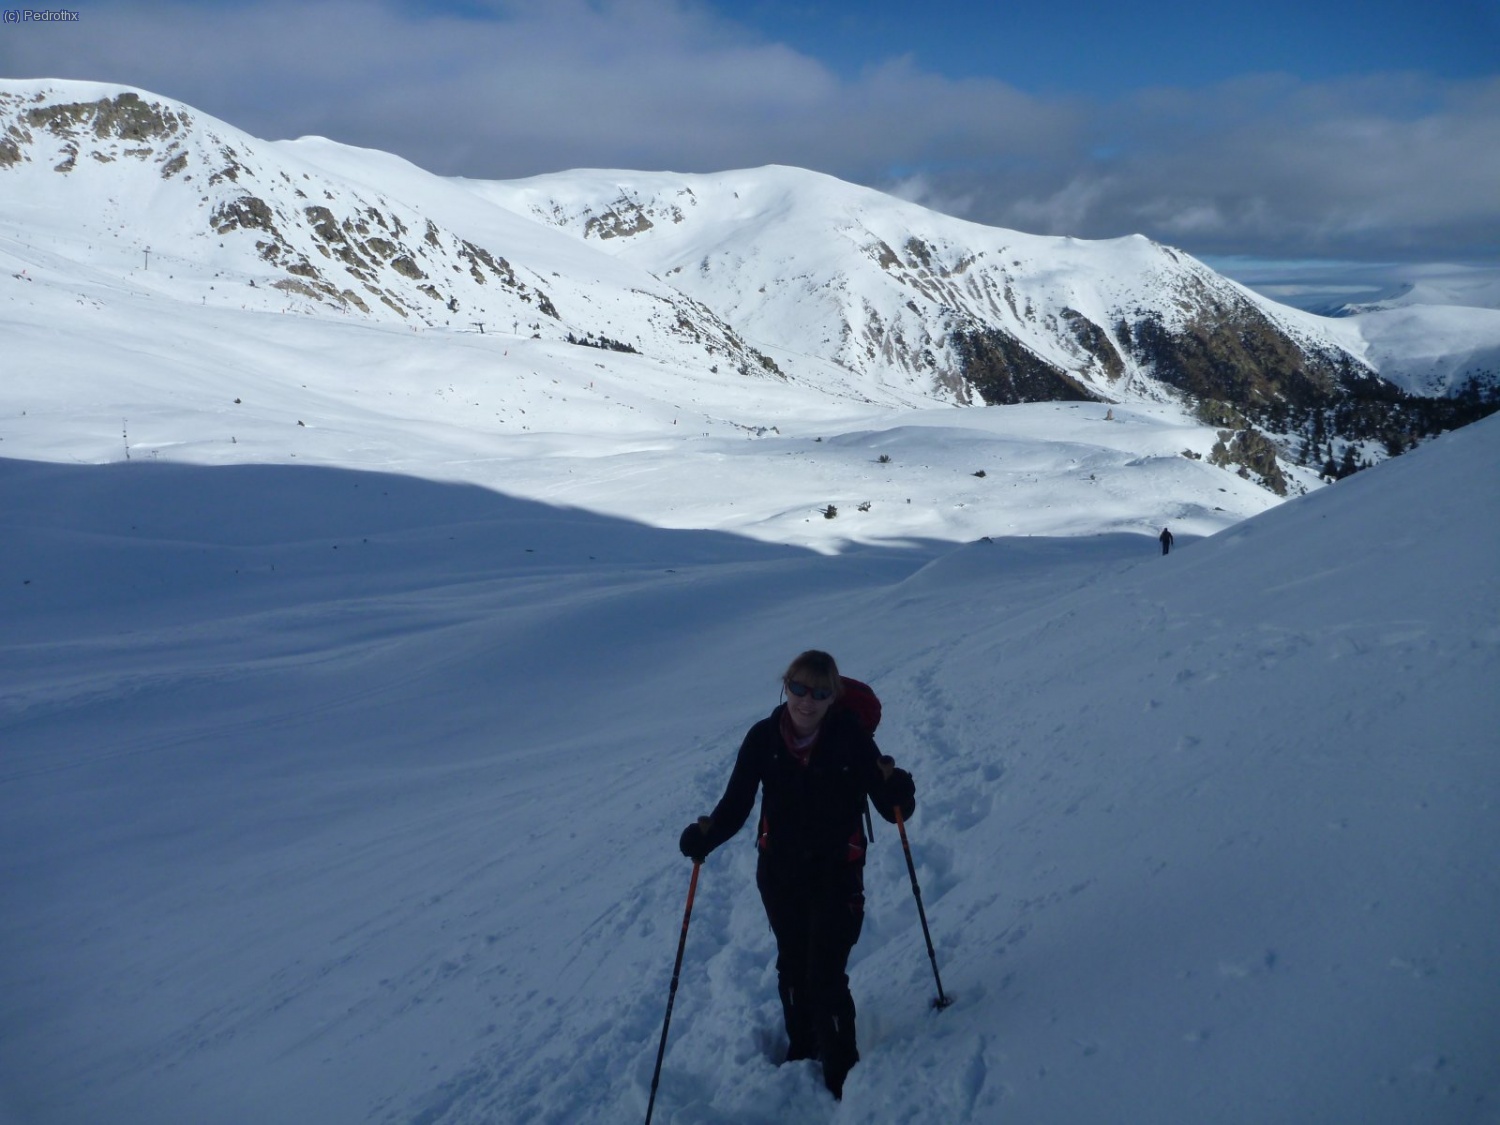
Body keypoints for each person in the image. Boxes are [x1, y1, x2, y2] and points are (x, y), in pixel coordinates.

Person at [678, 650, 917, 1100]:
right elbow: (736, 805)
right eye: (799, 688)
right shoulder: (763, 738)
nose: (807, 701)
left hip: (838, 874)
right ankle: (804, 1048)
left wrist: (899, 789)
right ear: (785, 686)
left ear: (833, 698)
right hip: (780, 874)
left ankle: (843, 1071)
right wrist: (704, 837)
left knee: (825, 973)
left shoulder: (849, 737)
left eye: (820, 692)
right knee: (792, 965)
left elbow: (890, 809)